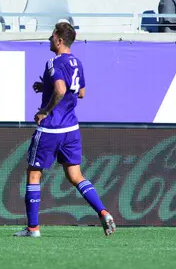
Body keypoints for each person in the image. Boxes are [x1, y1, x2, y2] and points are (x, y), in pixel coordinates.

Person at [15, 22, 116, 238]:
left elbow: (61, 89)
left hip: (51, 128)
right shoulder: (77, 62)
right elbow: (81, 92)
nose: (50, 39)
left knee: (34, 174)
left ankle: (33, 228)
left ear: (59, 40)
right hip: (71, 129)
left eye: (52, 35)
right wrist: (46, 86)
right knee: (76, 176)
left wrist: (44, 110)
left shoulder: (54, 61)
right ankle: (103, 211)